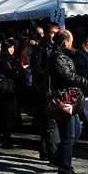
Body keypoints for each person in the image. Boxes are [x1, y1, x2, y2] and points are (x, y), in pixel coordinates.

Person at [48, 29, 88, 174]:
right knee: (69, 135)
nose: (73, 44)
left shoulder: (63, 54)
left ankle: (59, 158)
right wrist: (84, 81)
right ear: (65, 42)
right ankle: (64, 168)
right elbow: (67, 76)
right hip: (64, 100)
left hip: (69, 99)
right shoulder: (58, 56)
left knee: (76, 131)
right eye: (71, 41)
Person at [30, 22, 60, 163]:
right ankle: (52, 154)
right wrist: (53, 73)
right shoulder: (41, 49)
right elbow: (37, 72)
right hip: (43, 90)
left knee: (48, 124)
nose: (55, 35)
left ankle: (44, 151)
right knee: (49, 124)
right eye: (53, 32)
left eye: (57, 33)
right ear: (48, 33)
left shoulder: (53, 48)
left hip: (50, 89)